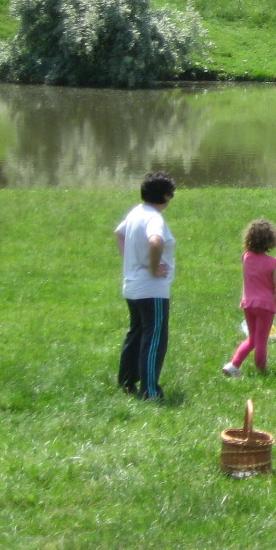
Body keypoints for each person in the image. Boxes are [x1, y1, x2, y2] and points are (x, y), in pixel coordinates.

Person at [115, 172, 177, 401]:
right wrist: (151, 268)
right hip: (152, 289)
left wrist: (131, 261)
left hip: (132, 285)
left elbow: (119, 234)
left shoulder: (136, 212)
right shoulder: (154, 218)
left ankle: (127, 381)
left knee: (137, 332)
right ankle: (149, 391)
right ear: (165, 196)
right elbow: (155, 241)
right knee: (154, 337)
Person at [222, 219, 276, 377]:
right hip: (265, 306)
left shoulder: (246, 257)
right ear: (271, 240)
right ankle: (261, 370)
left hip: (248, 303)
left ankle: (233, 365)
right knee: (262, 341)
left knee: (252, 338)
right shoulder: (273, 263)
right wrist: (275, 304)